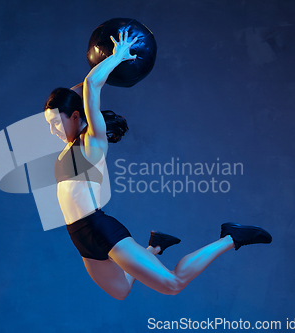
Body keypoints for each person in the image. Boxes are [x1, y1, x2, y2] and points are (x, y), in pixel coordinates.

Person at [43, 31, 272, 300]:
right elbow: (76, 91)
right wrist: (86, 79)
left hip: (99, 228)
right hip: (79, 235)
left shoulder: (92, 138)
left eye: (56, 122)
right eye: (49, 124)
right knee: (121, 290)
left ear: (75, 116)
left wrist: (116, 57)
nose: (52, 130)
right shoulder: (70, 138)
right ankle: (155, 247)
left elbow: (92, 84)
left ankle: (231, 238)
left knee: (172, 284)